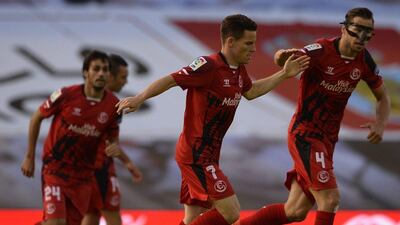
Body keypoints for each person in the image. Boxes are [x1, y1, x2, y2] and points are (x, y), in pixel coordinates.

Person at [115, 14, 310, 225]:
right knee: (231, 212)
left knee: (192, 218)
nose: (254, 49)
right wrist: (140, 98)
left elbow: (251, 92)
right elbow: (171, 79)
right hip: (196, 154)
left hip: (208, 153)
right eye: (249, 43)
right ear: (230, 41)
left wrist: (284, 74)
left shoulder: (238, 70)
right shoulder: (207, 65)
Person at [234, 7, 391, 225]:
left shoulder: (365, 61)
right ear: (344, 28)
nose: (363, 36)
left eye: (369, 31)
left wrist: (380, 123)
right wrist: (282, 57)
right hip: (306, 135)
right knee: (330, 199)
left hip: (327, 141)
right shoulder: (321, 50)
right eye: (358, 29)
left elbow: (383, 98)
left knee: (295, 211)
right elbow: (285, 59)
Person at [21, 50, 123, 225]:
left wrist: (114, 146)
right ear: (85, 72)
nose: (101, 73)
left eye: (105, 69)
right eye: (96, 69)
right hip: (55, 170)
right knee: (57, 222)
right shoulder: (65, 95)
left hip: (83, 176)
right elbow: (36, 117)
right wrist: (29, 157)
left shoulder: (113, 105)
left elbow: (112, 137)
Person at [81, 54, 143, 225]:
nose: (126, 82)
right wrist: (128, 162)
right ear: (111, 76)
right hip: (100, 170)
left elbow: (108, 141)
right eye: (123, 77)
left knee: (92, 216)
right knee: (113, 219)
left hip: (85, 170)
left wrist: (127, 162)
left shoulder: (88, 99)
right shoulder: (113, 104)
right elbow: (108, 143)